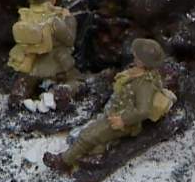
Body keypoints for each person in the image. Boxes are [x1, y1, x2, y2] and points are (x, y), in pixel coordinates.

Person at [44, 38, 175, 173]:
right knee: (93, 137)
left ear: (143, 61)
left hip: (123, 121)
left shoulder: (145, 85)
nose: (134, 54)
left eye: (138, 54)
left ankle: (63, 162)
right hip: (113, 112)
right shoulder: (134, 72)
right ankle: (96, 153)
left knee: (87, 135)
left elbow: (143, 111)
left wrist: (123, 120)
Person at [8, 0, 80, 106]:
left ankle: (19, 93)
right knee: (76, 79)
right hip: (56, 64)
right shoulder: (54, 21)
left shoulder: (24, 15)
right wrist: (69, 19)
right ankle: (59, 93)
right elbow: (70, 40)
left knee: (27, 79)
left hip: (31, 64)